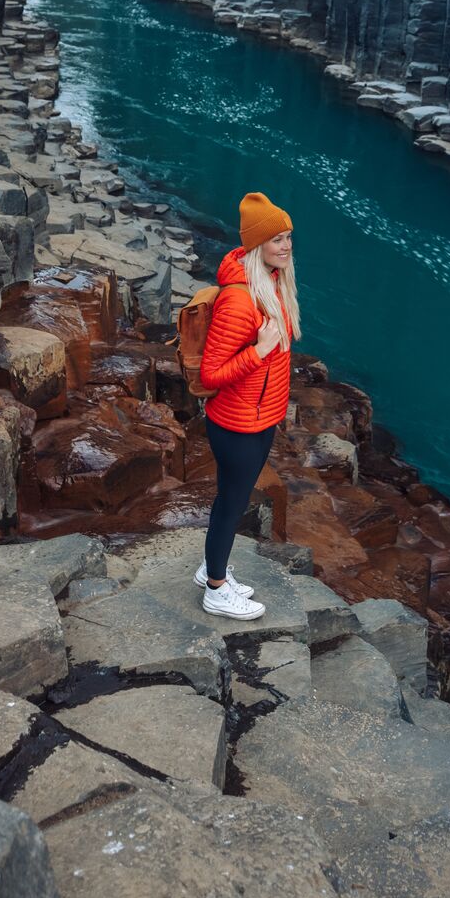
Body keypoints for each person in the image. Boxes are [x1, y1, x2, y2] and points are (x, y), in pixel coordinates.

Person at [194, 190, 302, 618]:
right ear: (258, 244)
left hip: (260, 419)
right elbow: (211, 376)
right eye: (278, 239)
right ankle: (216, 590)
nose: (287, 246)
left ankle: (211, 569)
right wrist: (258, 351)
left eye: (290, 236)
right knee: (233, 503)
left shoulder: (272, 284)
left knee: (230, 500)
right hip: (237, 425)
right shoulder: (240, 299)